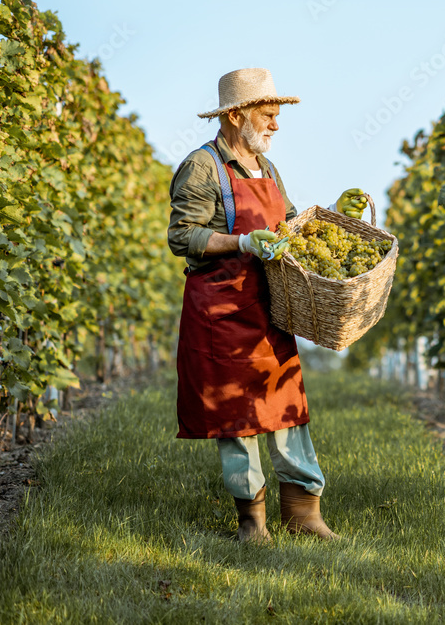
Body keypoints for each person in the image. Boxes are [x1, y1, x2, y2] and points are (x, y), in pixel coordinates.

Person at [167, 67, 367, 543]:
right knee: (235, 416)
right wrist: (241, 244)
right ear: (236, 115)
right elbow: (182, 236)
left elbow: (290, 224)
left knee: (287, 405)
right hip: (221, 310)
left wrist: (334, 215)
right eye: (268, 114)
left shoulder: (267, 168)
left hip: (268, 309)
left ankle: (304, 513)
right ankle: (251, 523)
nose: (276, 124)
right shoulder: (203, 166)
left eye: (277, 115)